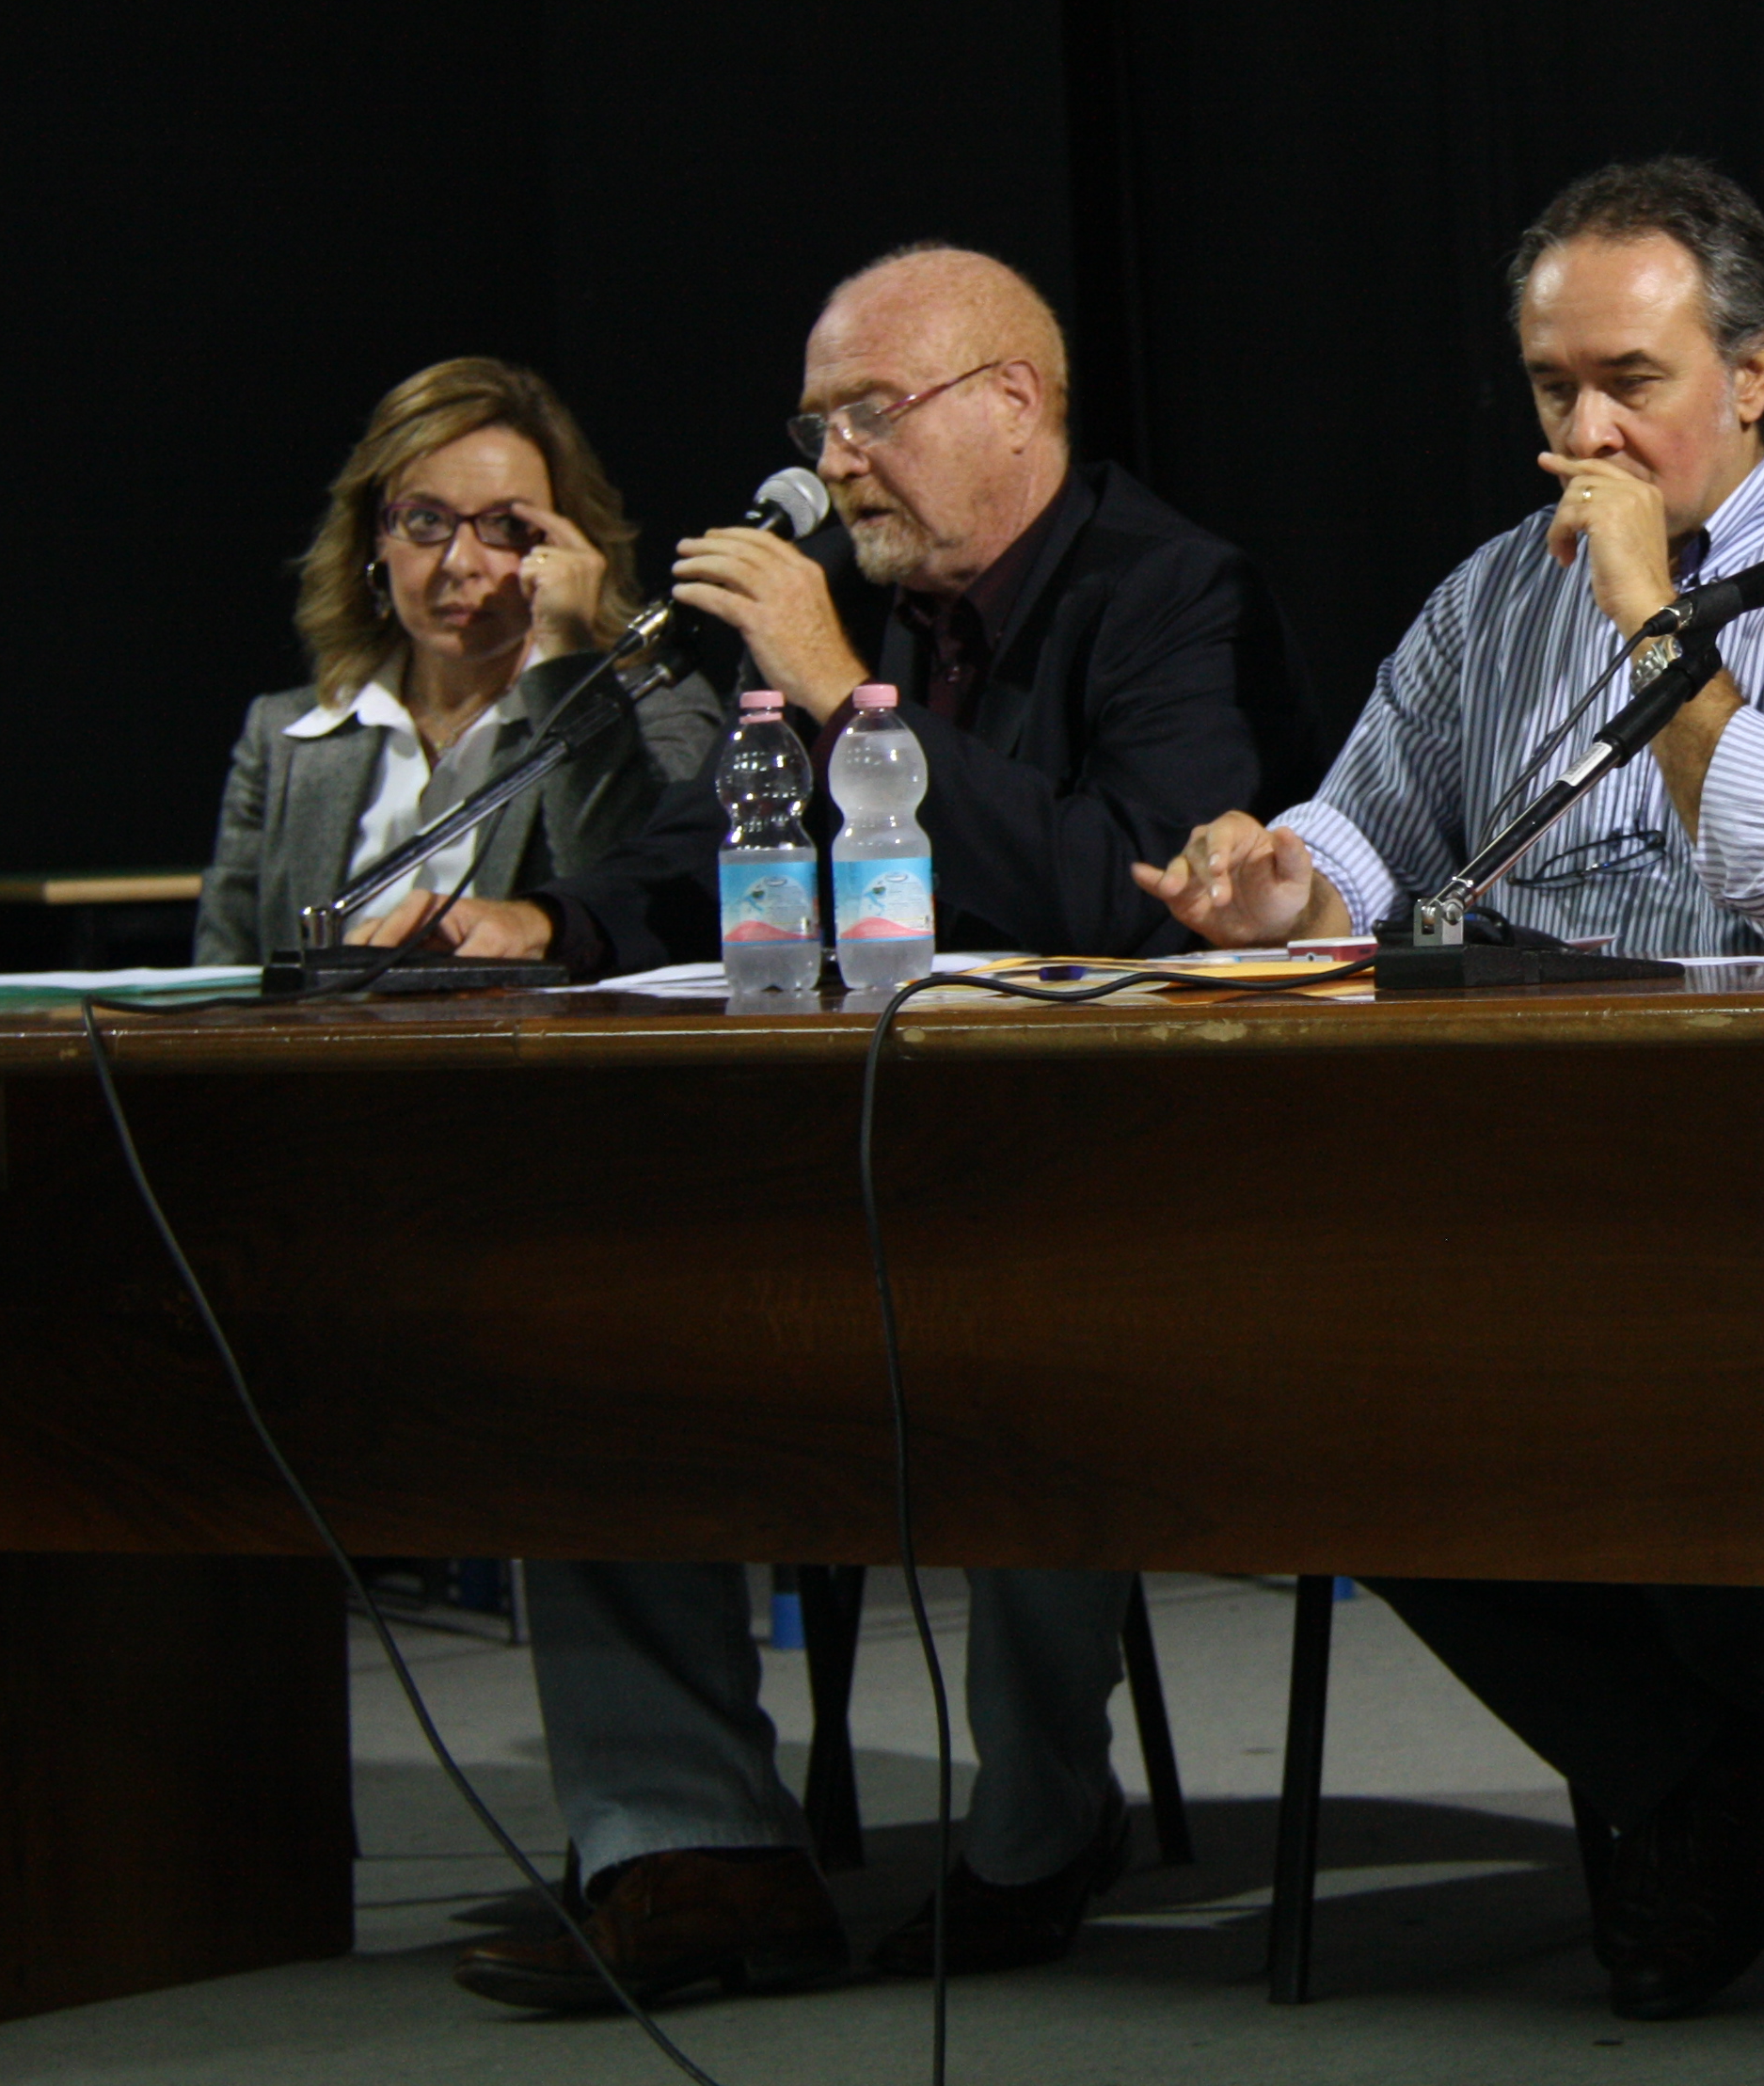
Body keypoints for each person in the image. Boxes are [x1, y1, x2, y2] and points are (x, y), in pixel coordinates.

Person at [1137, 156, 1764, 2021]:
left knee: (1577, 1353)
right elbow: (1368, 835)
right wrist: (1276, 884)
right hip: (1524, 1144)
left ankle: (1705, 1765)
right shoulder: (1490, 595)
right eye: (1553, 389)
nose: (1586, 433)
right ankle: (1717, 1758)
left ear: (1755, 372)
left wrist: (1652, 616)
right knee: (1278, 1379)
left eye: (1631, 380)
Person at [439, 245, 1320, 2014]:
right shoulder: (878, 604)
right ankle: (691, 1850)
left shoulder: (1171, 593)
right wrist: (545, 922)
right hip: (842, 1151)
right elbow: (724, 840)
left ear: (1016, 401)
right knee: (581, 1317)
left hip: (1104, 1183)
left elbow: (1136, 898)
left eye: (870, 415)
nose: (835, 463)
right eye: (816, 426)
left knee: (1015, 1318)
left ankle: (1040, 1822)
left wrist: (847, 685)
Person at [194, 358, 721, 967]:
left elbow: (630, 911)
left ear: (570, 541)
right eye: (424, 520)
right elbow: (221, 975)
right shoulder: (284, 734)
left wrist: (568, 652)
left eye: (506, 525)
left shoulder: (656, 705)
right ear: (374, 538)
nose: (460, 563)